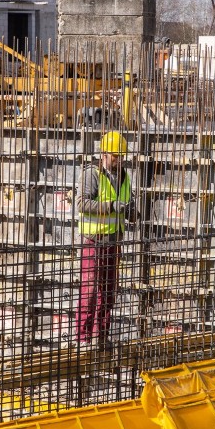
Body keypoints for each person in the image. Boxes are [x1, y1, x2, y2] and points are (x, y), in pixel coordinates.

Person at [75, 131, 136, 349]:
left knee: (109, 291)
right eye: (115, 156)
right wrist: (111, 206)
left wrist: (132, 212)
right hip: (94, 240)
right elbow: (82, 204)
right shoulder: (92, 174)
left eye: (121, 156)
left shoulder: (124, 176)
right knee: (90, 290)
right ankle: (83, 338)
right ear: (104, 154)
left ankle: (101, 336)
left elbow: (129, 203)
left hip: (113, 240)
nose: (119, 160)